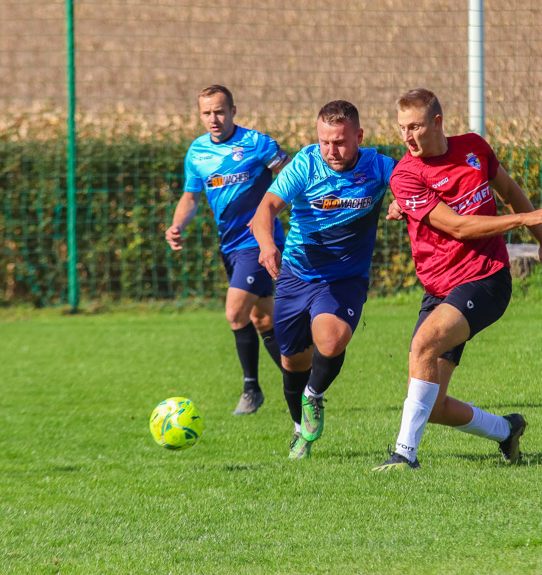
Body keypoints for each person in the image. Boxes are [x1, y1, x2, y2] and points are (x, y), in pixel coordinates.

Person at [373, 88, 542, 471]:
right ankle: (506, 430)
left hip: (487, 279)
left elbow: (509, 191)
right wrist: (524, 220)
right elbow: (459, 227)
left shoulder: (474, 147)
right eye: (401, 128)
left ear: (438, 123)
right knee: (432, 405)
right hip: (439, 290)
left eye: (415, 126)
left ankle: (403, 457)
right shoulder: (406, 176)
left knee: (423, 345)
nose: (407, 137)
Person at [250, 100, 395, 459]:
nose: (331, 150)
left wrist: (402, 202)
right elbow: (264, 210)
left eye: (340, 142)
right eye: (324, 141)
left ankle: (314, 397)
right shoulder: (306, 163)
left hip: (346, 277)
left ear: (359, 136)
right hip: (296, 276)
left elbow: (412, 185)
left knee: (331, 341)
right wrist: (268, 245)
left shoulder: (378, 165)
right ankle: (300, 431)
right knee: (292, 363)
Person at [166, 85, 289, 415]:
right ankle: (302, 384)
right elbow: (190, 198)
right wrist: (178, 226)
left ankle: (251, 389)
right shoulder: (197, 153)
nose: (213, 119)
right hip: (230, 247)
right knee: (263, 320)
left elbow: (291, 177)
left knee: (234, 312)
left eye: (219, 111)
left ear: (234, 110)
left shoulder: (257, 144)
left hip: (259, 242)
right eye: (206, 113)